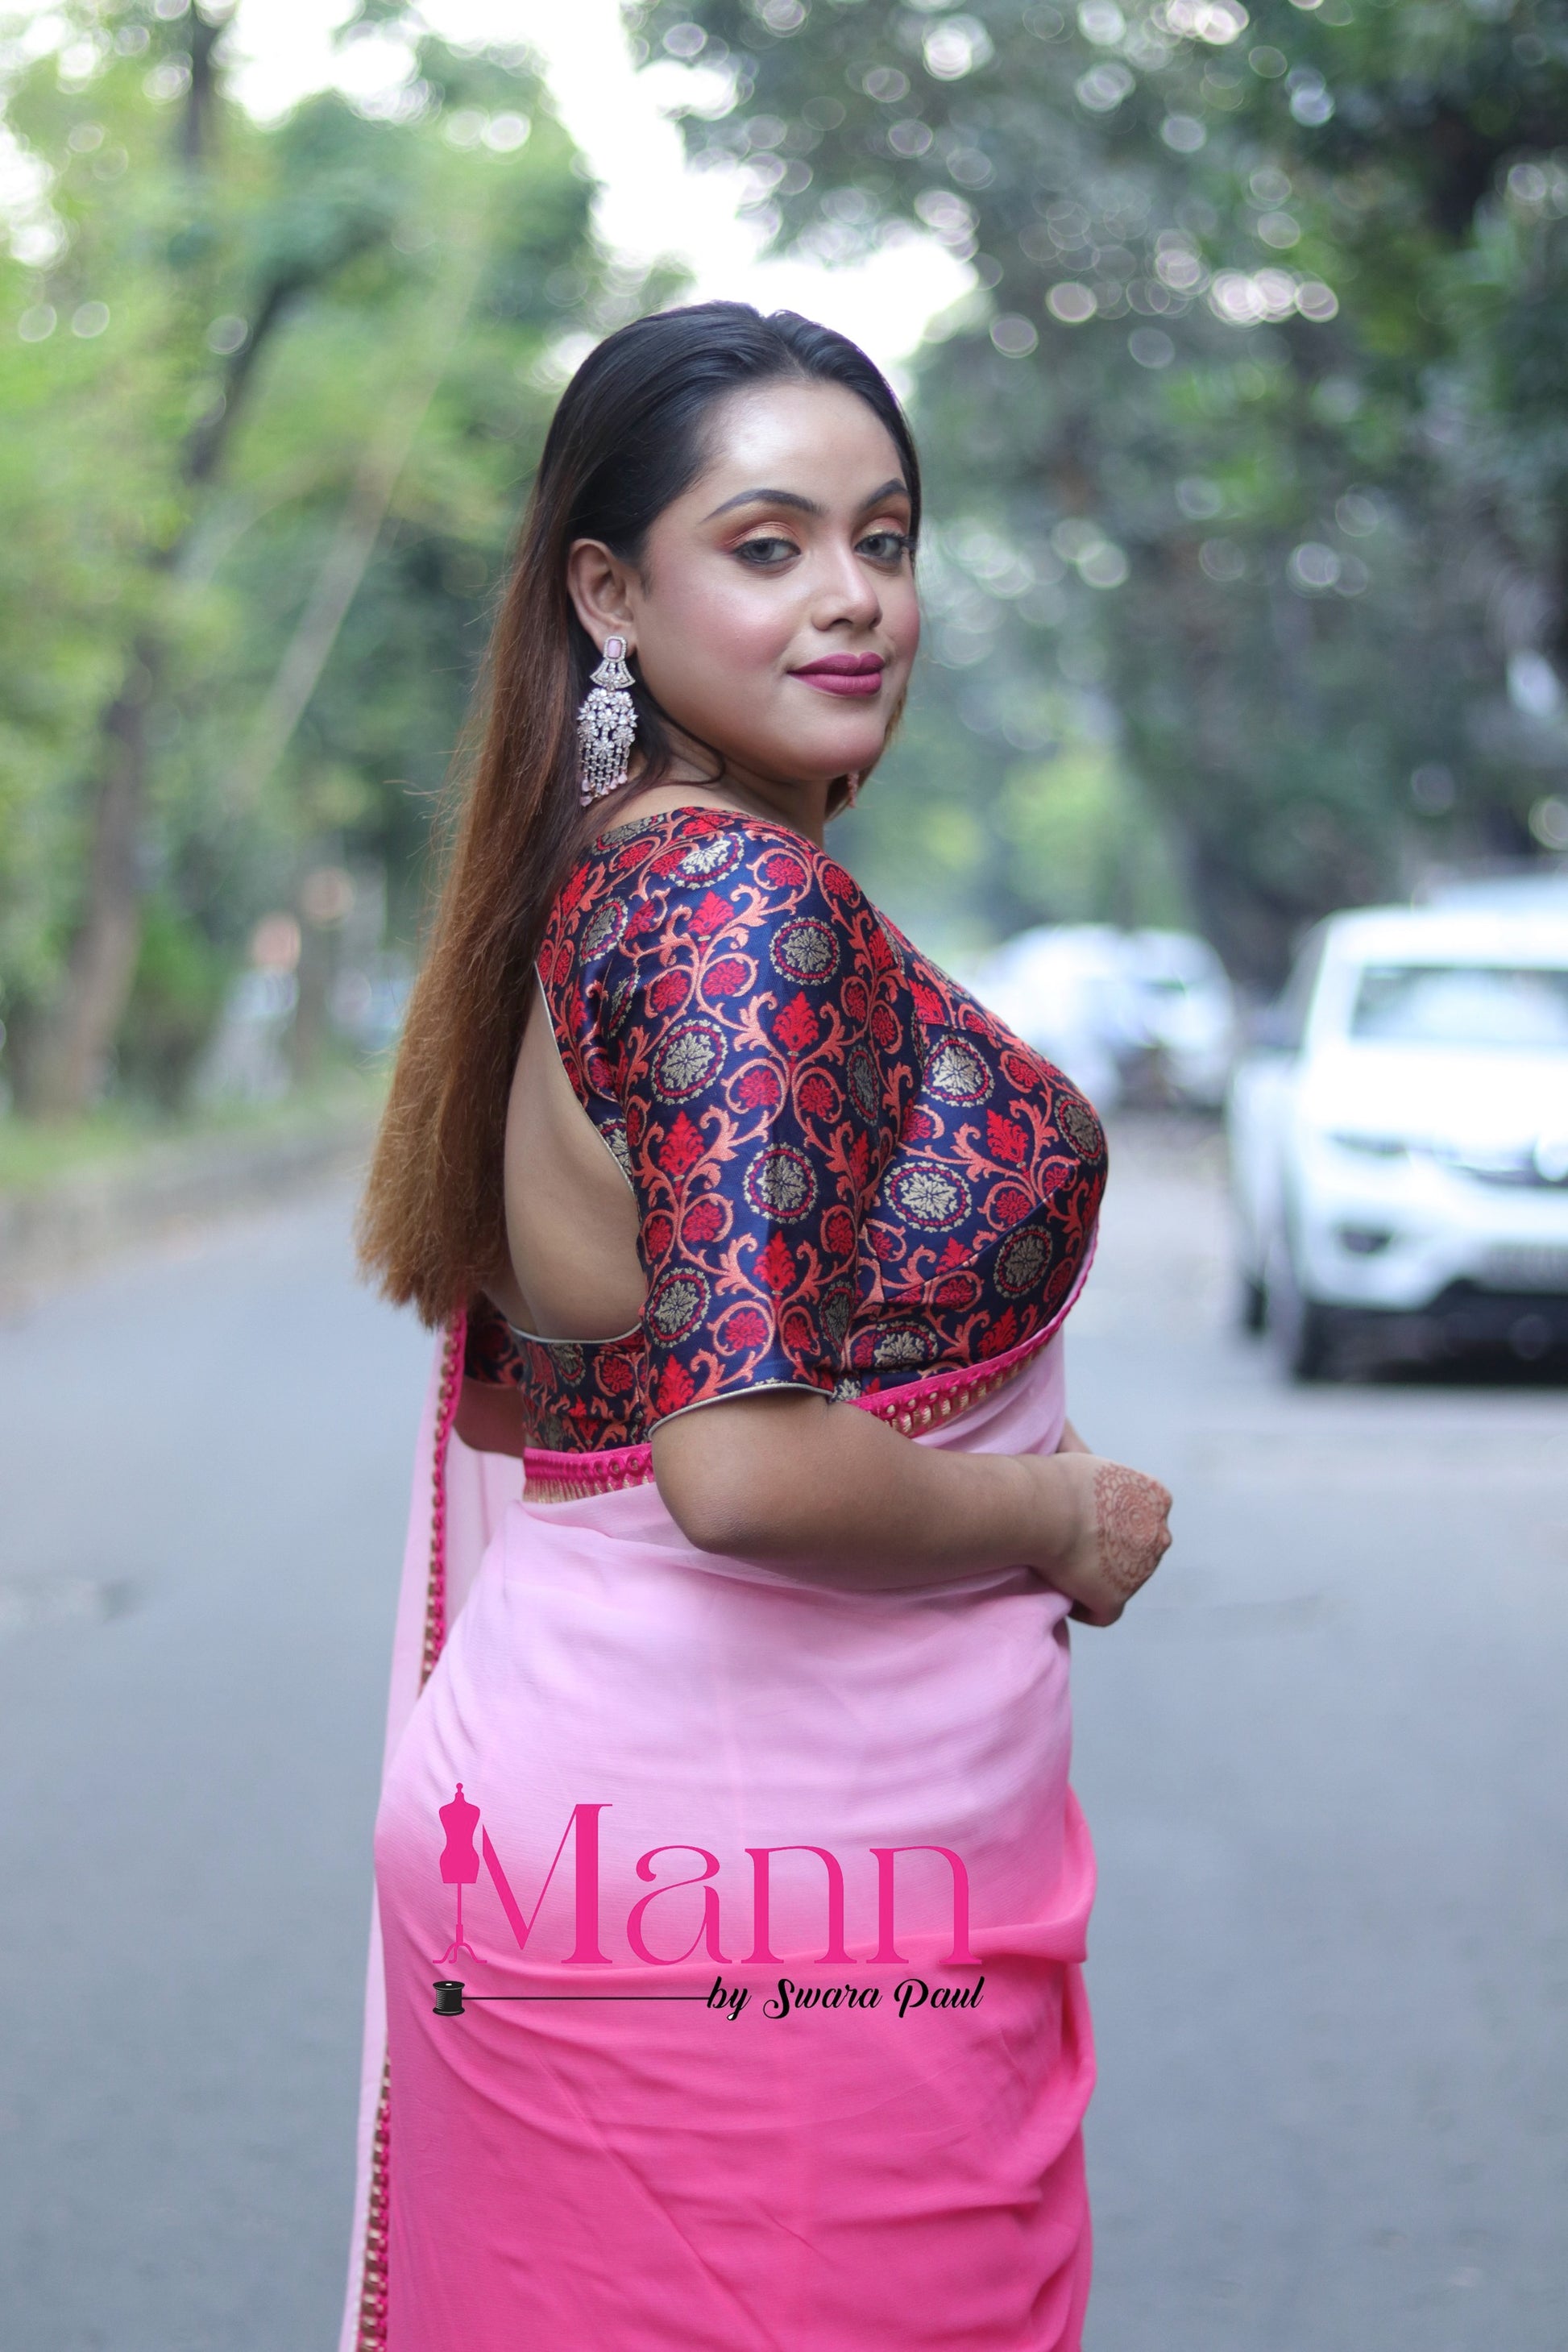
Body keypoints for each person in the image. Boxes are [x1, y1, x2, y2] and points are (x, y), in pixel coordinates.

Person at [346, 301, 1172, 2352]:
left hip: (634, 1838)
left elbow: (577, 1401)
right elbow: (733, 1462)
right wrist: (1054, 1516)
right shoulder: (735, 911)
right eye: (767, 543)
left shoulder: (608, 882)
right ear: (608, 593)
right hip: (757, 1883)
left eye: (883, 539)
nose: (852, 597)